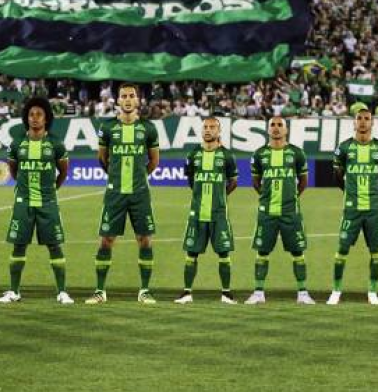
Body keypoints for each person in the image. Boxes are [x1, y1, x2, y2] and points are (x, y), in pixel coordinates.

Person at [86, 83, 160, 305]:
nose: (128, 100)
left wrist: (138, 177)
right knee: (106, 240)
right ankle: (100, 291)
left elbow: (154, 161)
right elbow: (102, 158)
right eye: (123, 96)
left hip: (140, 193)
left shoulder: (148, 129)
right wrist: (116, 177)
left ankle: (144, 291)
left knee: (145, 240)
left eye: (132, 96)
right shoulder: (107, 128)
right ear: (117, 101)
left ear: (138, 100)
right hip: (115, 194)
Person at [0, 97, 72, 304]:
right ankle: (14, 291)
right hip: (24, 202)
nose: (35, 118)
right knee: (18, 246)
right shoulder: (17, 143)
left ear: (46, 118)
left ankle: (62, 292)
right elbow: (13, 170)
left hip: (48, 202)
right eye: (31, 114)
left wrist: (51, 190)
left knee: (54, 245)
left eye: (39, 114)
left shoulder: (55, 143)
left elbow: (63, 172)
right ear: (26, 118)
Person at [246, 116, 314, 305]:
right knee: (262, 251)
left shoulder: (297, 153)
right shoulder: (259, 154)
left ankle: (302, 293)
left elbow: (304, 182)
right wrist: (266, 198)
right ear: (268, 130)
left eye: (279, 125)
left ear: (286, 130)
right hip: (267, 212)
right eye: (272, 125)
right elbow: (256, 182)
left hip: (290, 212)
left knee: (297, 251)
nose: (276, 128)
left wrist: (290, 198)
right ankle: (258, 293)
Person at [327, 108, 378, 305]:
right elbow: (337, 175)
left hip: (374, 210)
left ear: (372, 123)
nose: (363, 122)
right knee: (342, 249)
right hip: (352, 209)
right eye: (359, 119)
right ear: (354, 123)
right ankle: (336, 291)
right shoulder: (344, 148)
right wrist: (349, 193)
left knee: (376, 250)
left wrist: (375, 193)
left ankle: (372, 292)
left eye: (366, 119)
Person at [174, 117, 239, 304]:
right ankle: (187, 293)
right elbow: (191, 181)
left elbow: (233, 182)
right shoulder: (193, 154)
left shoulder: (227, 155)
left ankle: (226, 293)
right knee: (191, 252)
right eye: (205, 127)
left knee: (224, 253)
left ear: (219, 131)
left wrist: (220, 197)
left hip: (219, 213)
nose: (208, 130)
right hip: (197, 213)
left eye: (212, 127)